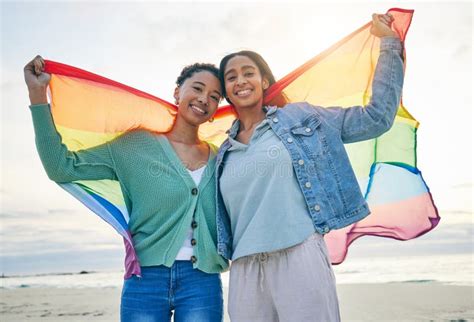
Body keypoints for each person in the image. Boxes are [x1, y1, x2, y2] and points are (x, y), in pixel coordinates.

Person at [215, 13, 404, 322]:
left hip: (298, 253)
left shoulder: (302, 119)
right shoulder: (222, 153)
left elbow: (376, 118)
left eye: (248, 72)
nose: (240, 80)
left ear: (264, 81)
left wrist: (388, 44)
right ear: (226, 91)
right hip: (245, 266)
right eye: (231, 77)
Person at [24, 56, 228, 322]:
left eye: (214, 96)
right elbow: (61, 167)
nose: (204, 99)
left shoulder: (222, 158)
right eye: (198, 88)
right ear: (178, 92)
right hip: (146, 280)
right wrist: (37, 95)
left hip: (203, 281)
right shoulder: (134, 146)